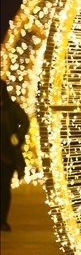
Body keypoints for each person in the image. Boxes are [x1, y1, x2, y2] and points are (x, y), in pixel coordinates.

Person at [1, 80, 30, 232]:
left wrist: (17, 137)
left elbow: (25, 122)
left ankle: (2, 220)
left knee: (4, 188)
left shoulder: (10, 108)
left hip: (6, 155)